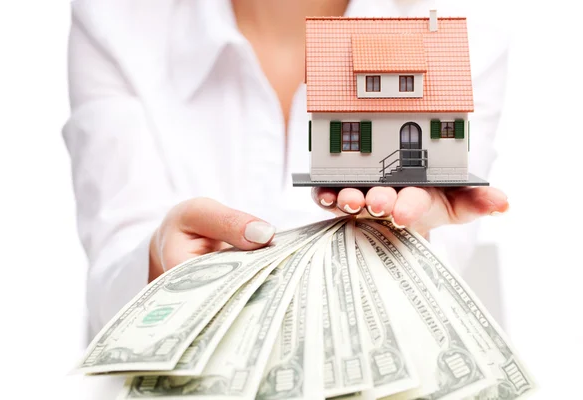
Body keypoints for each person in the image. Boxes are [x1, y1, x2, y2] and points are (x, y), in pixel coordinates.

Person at [63, 0, 510, 339]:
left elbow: (440, 271)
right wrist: (155, 263)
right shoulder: (114, 17)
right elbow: (113, 260)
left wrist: (418, 234)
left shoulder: (461, 19)